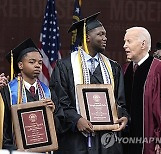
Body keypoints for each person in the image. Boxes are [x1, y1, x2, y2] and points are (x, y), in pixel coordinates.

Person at [49, 12, 128, 154]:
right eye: (101, 34)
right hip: (77, 140)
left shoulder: (113, 67)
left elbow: (120, 100)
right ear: (87, 38)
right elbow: (60, 101)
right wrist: (76, 119)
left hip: (107, 140)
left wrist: (123, 116)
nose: (105, 38)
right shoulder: (65, 66)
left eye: (105, 34)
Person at [123, 27, 161, 154]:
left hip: (152, 143)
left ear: (143, 44)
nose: (124, 46)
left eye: (129, 41)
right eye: (124, 41)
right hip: (126, 141)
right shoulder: (125, 70)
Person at [1, 38, 55, 150]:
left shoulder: (47, 92)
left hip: (43, 149)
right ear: (20, 65)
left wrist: (52, 113)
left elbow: (58, 128)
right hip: (16, 149)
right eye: (32, 62)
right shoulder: (8, 91)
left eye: (40, 63)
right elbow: (4, 125)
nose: (37, 66)